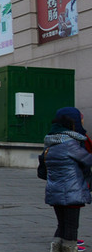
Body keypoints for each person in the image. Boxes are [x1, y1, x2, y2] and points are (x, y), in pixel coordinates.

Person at [44, 107, 92, 252]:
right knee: (71, 225)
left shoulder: (50, 143)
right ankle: (70, 247)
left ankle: (56, 245)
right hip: (72, 190)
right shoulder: (71, 144)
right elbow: (87, 159)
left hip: (54, 190)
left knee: (62, 223)